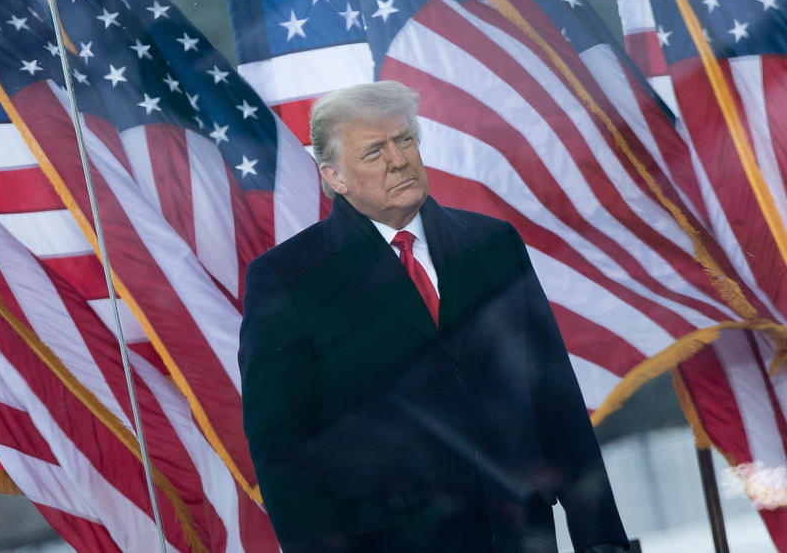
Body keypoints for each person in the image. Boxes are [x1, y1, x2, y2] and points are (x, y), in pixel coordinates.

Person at [239, 81, 628, 553]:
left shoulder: (493, 244)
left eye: (404, 140)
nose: (398, 160)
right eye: (373, 151)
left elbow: (557, 402)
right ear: (335, 176)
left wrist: (602, 541)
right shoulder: (286, 279)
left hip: (520, 535)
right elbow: (283, 453)